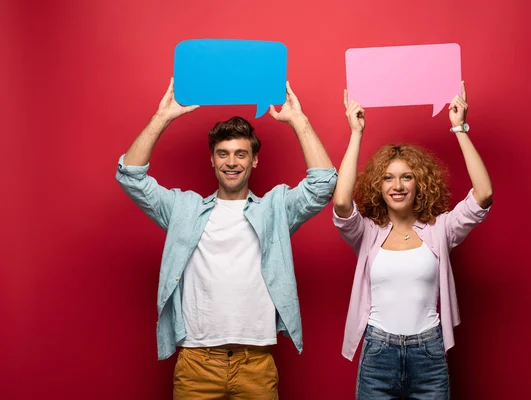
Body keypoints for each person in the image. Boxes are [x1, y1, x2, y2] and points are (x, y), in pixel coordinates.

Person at [116, 78, 337, 399]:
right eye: (223, 154)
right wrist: (162, 117)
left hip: (256, 363)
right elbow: (131, 177)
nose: (231, 162)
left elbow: (323, 184)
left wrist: (298, 121)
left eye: (240, 154)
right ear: (212, 159)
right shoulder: (183, 209)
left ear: (254, 160)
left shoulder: (275, 210)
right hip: (196, 364)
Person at [333, 82, 493, 399]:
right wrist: (356, 134)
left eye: (407, 176)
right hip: (378, 353)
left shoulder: (440, 228)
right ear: (378, 186)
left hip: (429, 353)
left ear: (419, 184)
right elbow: (340, 203)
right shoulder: (366, 232)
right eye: (388, 178)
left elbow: (484, 195)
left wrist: (459, 127)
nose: (398, 186)